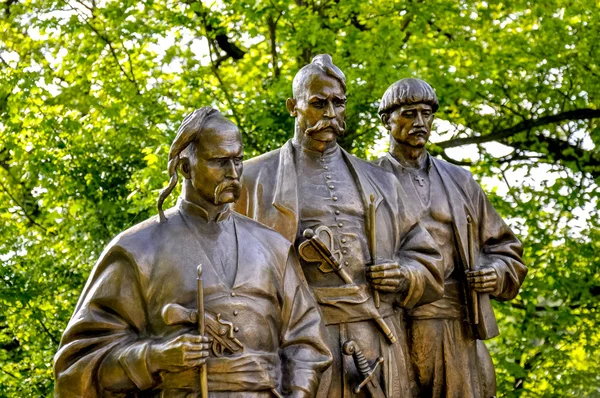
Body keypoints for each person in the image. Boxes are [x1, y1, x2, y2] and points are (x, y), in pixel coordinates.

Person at [54, 107, 331, 398]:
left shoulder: (272, 246)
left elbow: (308, 342)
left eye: (238, 160)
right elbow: (76, 366)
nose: (234, 173)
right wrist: (155, 358)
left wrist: (298, 393)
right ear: (185, 167)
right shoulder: (137, 250)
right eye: (219, 162)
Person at [234, 55, 444, 398]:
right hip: (300, 344)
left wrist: (405, 275)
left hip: (376, 340)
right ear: (293, 107)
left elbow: (429, 261)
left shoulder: (382, 182)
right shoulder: (253, 180)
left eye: (338, 103)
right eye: (318, 103)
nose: (330, 113)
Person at [375, 78, 527, 397]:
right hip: (391, 320)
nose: (420, 122)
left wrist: (495, 273)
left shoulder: (460, 181)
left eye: (427, 114)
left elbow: (505, 248)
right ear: (387, 119)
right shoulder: (367, 180)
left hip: (456, 322)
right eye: (409, 113)